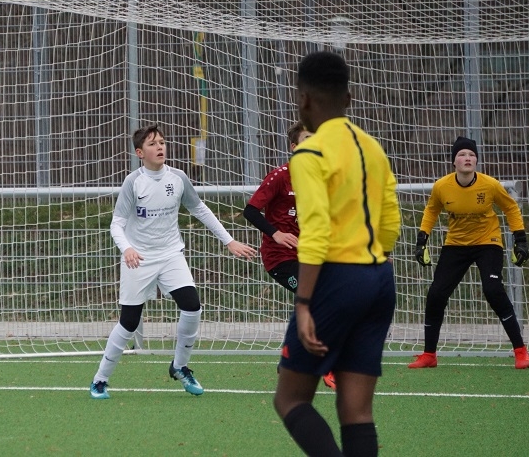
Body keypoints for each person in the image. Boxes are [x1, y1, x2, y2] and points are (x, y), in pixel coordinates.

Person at [273, 51, 400, 457]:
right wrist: (373, 261)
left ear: (304, 99)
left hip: (336, 280)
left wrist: (304, 303)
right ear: (348, 98)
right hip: (380, 279)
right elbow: (391, 221)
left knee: (290, 398)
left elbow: (316, 231)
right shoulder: (373, 148)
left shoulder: (309, 154)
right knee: (356, 411)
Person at [89, 124, 257, 400]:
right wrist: (127, 248)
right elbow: (116, 223)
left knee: (192, 306)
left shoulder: (178, 178)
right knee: (129, 322)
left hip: (170, 255)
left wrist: (229, 240)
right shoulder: (133, 182)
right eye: (153, 144)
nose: (160, 147)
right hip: (139, 259)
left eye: (162, 142)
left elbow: (199, 208)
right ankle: (100, 380)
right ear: (140, 153)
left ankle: (179, 366)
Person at [408, 136, 529, 370]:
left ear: (476, 160)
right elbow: (431, 210)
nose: (468, 158)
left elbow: (510, 207)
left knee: (493, 290)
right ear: (454, 161)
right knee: (436, 295)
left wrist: (520, 240)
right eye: (462, 154)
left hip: (488, 242)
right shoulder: (442, 186)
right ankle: (429, 355)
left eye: (472, 155)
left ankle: (521, 351)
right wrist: (421, 241)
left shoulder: (490, 185)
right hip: (456, 244)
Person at [243, 122, 336, 391]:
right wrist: (276, 234)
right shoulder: (280, 176)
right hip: (279, 257)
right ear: (294, 147)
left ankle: (290, 356)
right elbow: (250, 211)